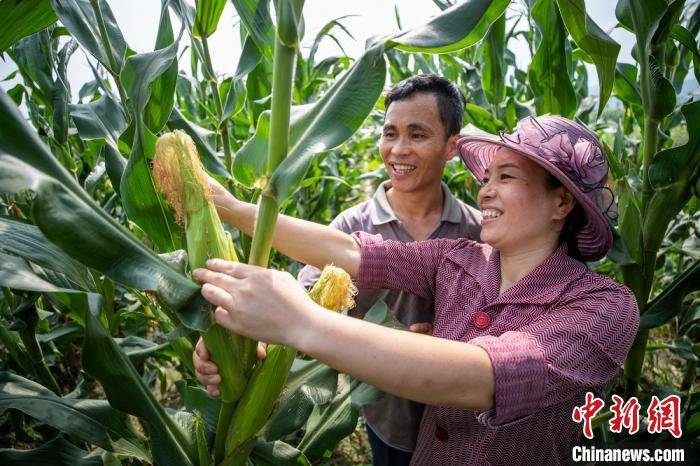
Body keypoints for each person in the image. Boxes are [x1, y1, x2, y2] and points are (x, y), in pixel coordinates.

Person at [192, 115, 640, 465]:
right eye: (486, 180)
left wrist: (299, 321)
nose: (484, 193)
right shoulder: (456, 259)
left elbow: (484, 376)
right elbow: (353, 252)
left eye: (505, 178)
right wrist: (233, 209)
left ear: (562, 202)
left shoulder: (605, 307)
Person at [295, 74, 481, 464]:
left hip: (466, 427)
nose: (398, 149)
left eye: (417, 135)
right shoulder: (349, 229)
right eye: (389, 133)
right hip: (387, 420)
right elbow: (304, 311)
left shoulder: (478, 230)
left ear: (452, 147)